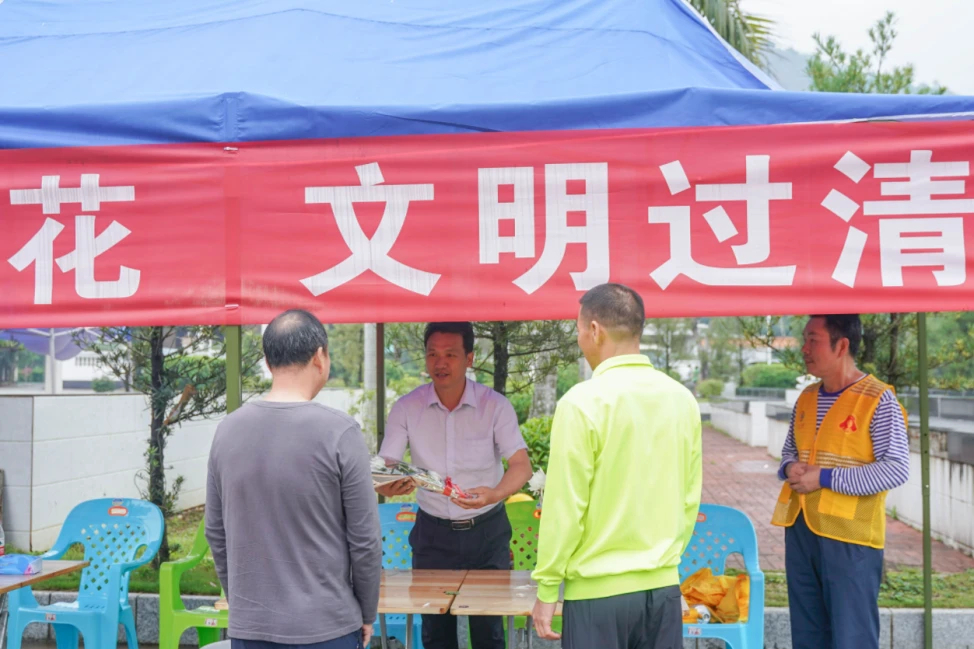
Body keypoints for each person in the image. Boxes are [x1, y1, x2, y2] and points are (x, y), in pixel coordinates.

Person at [531, 283, 703, 649]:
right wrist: (663, 560)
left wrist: (547, 587)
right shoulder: (682, 400)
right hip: (662, 590)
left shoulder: (581, 403)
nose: (580, 338)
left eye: (579, 330)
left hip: (596, 595)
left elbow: (565, 507)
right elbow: (689, 499)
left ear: (595, 330)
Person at [206, 310, 381, 649]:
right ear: (319, 356)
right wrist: (367, 612)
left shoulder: (227, 431)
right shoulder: (340, 432)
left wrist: (242, 604)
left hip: (250, 629)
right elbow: (365, 540)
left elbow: (216, 531)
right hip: (328, 626)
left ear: (268, 361)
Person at [376, 321, 533, 649]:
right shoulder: (407, 407)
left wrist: (495, 493)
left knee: (489, 633)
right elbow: (387, 465)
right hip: (433, 535)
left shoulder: (494, 406)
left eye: (450, 354)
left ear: (469, 358)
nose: (440, 362)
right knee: (436, 634)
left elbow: (522, 466)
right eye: (432, 354)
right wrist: (386, 484)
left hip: (487, 531)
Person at [771, 314, 910, 649]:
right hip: (801, 530)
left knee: (852, 637)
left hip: (851, 538)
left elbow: (895, 468)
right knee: (808, 634)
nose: (804, 348)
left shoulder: (878, 399)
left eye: (813, 339)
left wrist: (825, 477)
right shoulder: (807, 397)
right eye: (804, 339)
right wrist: (788, 467)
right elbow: (790, 450)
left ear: (842, 345)